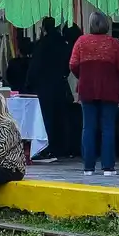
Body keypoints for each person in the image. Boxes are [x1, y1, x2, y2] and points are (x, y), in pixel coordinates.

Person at [69, 11, 119, 176]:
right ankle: (108, 167)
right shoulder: (113, 43)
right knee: (108, 128)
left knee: (88, 127)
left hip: (87, 89)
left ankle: (88, 167)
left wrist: (84, 76)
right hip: (110, 89)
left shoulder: (81, 41)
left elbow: (73, 64)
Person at [27, 17, 73, 162]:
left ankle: (48, 147)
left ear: (44, 28)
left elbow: (35, 66)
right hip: (59, 83)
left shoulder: (42, 44)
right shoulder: (63, 44)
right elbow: (69, 63)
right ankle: (62, 147)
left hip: (44, 85)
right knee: (61, 116)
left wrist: (29, 84)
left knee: (46, 117)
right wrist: (64, 74)